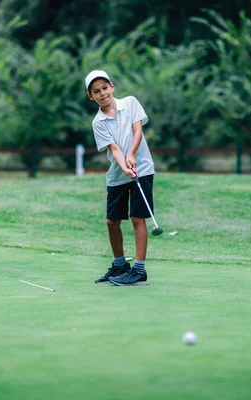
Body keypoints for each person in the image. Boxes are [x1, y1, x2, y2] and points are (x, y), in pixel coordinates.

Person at [85, 70, 156, 286]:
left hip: (142, 169)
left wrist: (132, 155)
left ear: (112, 86)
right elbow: (114, 149)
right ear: (91, 96)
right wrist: (124, 165)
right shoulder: (98, 122)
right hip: (118, 174)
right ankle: (119, 265)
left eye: (105, 88)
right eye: (96, 91)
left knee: (137, 217)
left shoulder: (131, 103)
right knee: (111, 221)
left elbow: (138, 132)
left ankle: (139, 270)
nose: (102, 93)